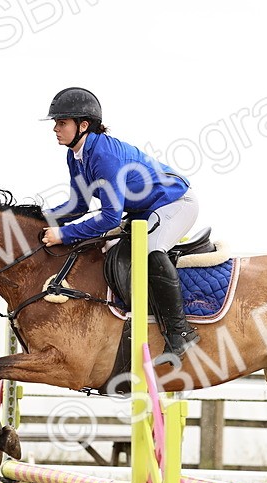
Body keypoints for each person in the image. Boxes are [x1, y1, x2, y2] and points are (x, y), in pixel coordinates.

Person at [41, 87, 200, 358]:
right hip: (143, 211)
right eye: (56, 122)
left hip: (174, 203)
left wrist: (64, 235)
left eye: (61, 122)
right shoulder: (75, 155)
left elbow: (109, 217)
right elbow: (78, 205)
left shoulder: (104, 156)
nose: (55, 128)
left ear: (83, 125)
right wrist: (39, 219)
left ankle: (180, 332)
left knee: (151, 252)